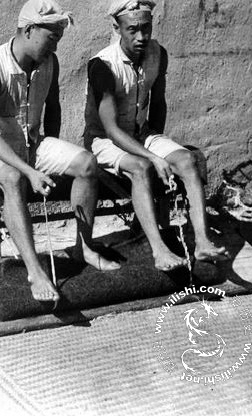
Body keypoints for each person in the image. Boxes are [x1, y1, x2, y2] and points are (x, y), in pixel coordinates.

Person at [0, 0, 121, 303]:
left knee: (87, 163)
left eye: (59, 38)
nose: (55, 46)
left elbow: (54, 108)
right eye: (52, 38)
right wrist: (30, 172)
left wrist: (52, 158)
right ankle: (35, 270)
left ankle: (83, 246)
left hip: (29, 143)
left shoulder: (50, 62)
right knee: (13, 178)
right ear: (29, 30)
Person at [83, 0, 228, 271]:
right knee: (141, 167)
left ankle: (202, 242)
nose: (141, 37)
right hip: (105, 141)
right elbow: (111, 130)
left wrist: (162, 148)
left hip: (141, 133)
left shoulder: (157, 53)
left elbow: (158, 103)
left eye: (146, 28)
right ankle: (159, 251)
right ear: (117, 28)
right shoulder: (102, 65)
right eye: (132, 30)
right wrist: (153, 157)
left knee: (187, 160)